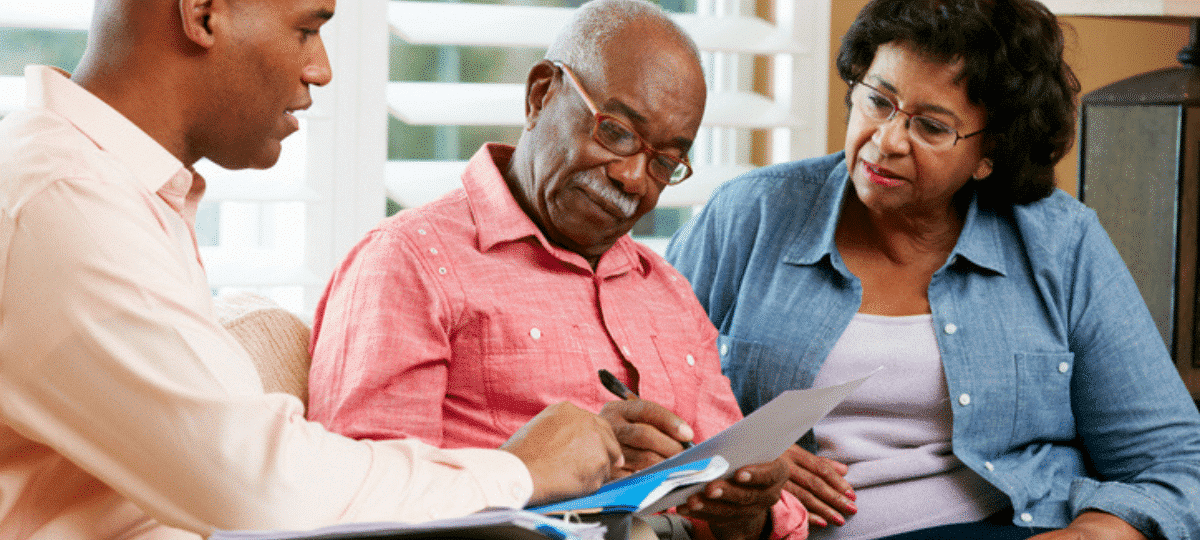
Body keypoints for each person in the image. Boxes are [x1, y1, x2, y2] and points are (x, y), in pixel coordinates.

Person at [0, 0, 626, 538]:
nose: (321, 69)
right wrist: (518, 471)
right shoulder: (64, 202)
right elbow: (259, 486)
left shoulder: (110, 188)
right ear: (203, 13)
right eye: (306, 27)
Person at [666, 0, 1200, 539]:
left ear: (990, 152)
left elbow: (1173, 460)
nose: (888, 140)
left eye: (931, 126)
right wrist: (732, 449)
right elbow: (633, 394)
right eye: (878, 101)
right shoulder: (750, 215)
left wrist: (1094, 533)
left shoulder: (1060, 243)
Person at [305, 1, 806, 539]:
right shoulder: (409, 262)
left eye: (664, 162)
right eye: (615, 132)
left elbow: (731, 495)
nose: (635, 178)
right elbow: (361, 507)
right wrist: (547, 473)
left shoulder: (667, 290)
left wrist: (747, 511)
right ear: (541, 94)